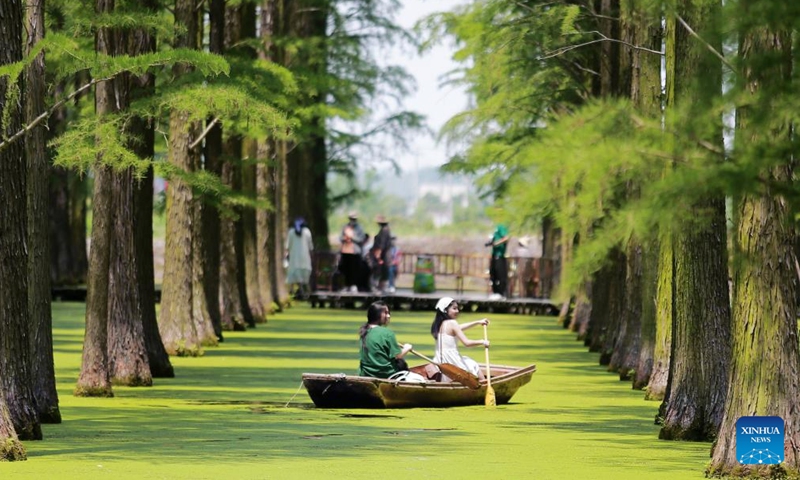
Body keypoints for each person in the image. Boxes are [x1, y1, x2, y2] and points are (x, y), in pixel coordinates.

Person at [430, 297, 490, 380]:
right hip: (452, 361)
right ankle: (484, 385)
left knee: (468, 361)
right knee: (472, 364)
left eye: (457, 308)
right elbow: (467, 343)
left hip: (439, 361)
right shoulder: (452, 323)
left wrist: (478, 322)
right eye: (454, 308)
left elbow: (459, 327)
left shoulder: (439, 325)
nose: (457, 311)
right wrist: (482, 342)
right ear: (445, 310)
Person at [358, 301, 413, 378]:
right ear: (377, 315)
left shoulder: (364, 332)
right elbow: (398, 356)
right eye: (386, 313)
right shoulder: (387, 333)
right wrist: (407, 348)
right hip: (387, 374)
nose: (388, 316)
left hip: (366, 373)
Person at [285, 217, 314, 299]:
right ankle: (309, 293)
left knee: (292, 279)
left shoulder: (291, 232)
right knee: (306, 280)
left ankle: (290, 294)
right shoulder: (307, 232)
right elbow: (311, 247)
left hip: (294, 261)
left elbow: (287, 246)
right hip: (305, 260)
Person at [339, 212, 366, 292]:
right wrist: (345, 238)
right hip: (346, 251)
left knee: (354, 269)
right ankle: (347, 285)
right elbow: (340, 238)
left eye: (354, 219)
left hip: (355, 252)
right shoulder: (345, 227)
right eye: (351, 219)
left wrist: (352, 237)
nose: (352, 220)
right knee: (346, 268)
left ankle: (354, 285)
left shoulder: (359, 228)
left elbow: (361, 239)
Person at [485, 223, 510, 300]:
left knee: (501, 275)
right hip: (494, 255)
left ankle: (501, 293)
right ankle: (495, 292)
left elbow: (506, 238)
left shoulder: (501, 226)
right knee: (493, 273)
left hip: (500, 255)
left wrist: (496, 243)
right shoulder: (495, 229)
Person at [371, 215, 392, 292]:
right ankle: (382, 286)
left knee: (382, 270)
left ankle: (382, 286)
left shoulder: (384, 230)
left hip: (384, 254)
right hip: (385, 253)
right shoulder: (385, 230)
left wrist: (378, 255)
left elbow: (382, 244)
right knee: (383, 270)